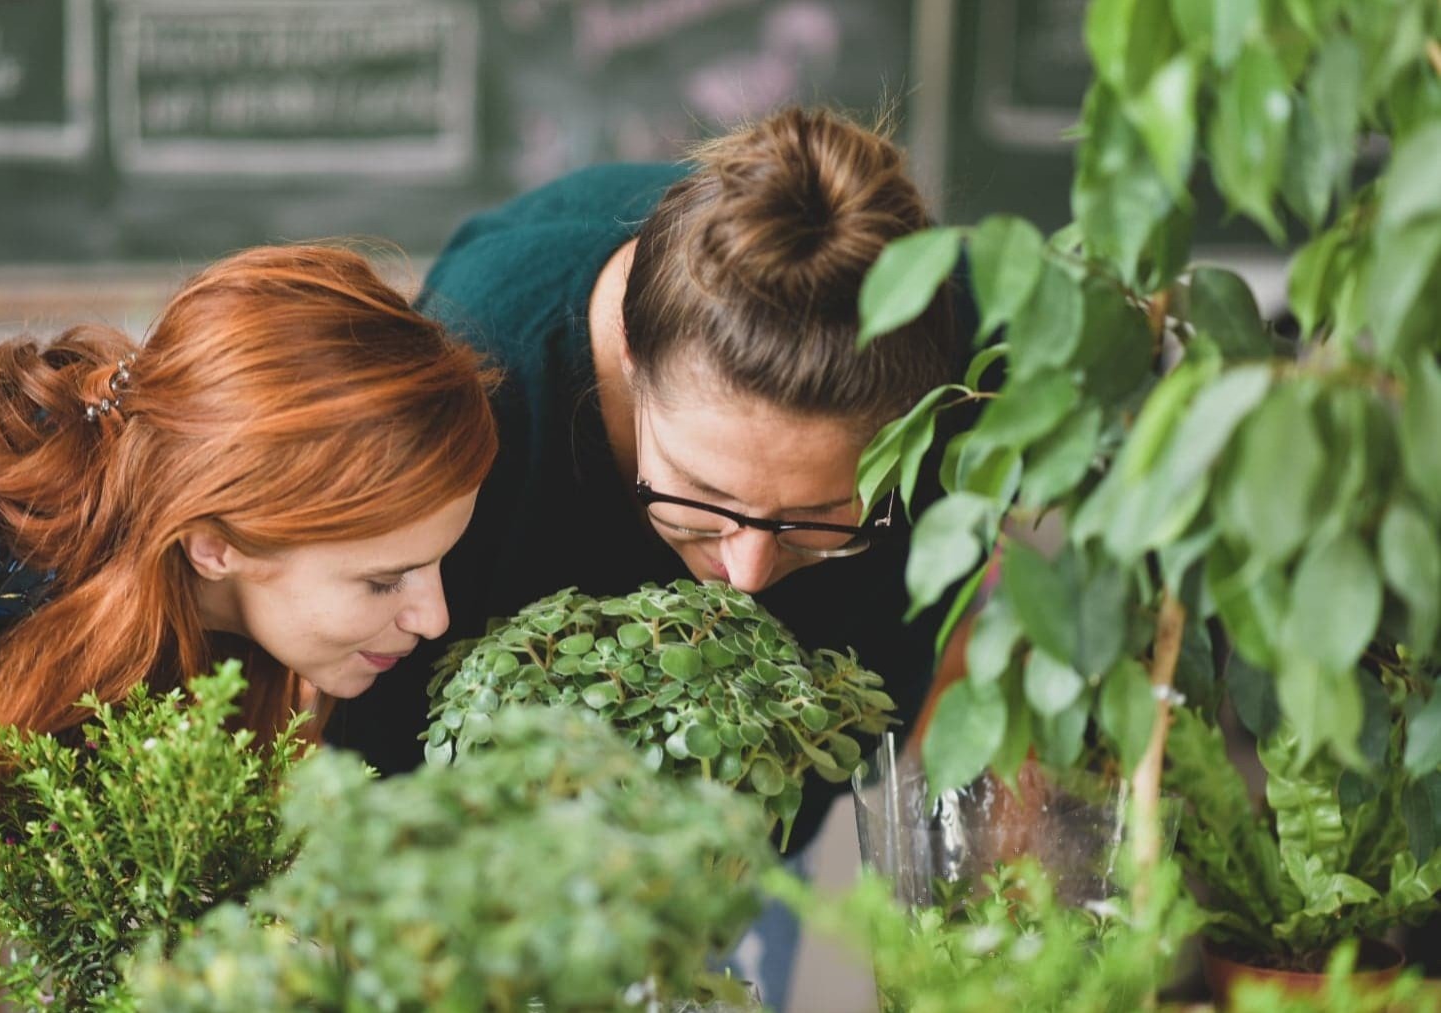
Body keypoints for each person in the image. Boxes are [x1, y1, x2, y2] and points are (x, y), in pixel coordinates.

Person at [324, 106, 970, 1004]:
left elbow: (902, 652)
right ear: (629, 354)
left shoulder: (948, 343)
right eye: (702, 501)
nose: (746, 575)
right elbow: (384, 761)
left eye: (818, 516)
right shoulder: (486, 379)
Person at [0, 245, 498, 1012]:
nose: (433, 617)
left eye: (436, 563)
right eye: (382, 579)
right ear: (215, 542)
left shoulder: (179, 631)